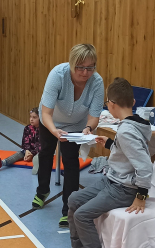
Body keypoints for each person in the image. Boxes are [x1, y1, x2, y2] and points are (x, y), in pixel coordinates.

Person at [56, 77, 153, 248]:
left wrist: (141, 196)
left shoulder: (126, 131)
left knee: (82, 215)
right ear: (133, 102)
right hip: (112, 179)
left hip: (123, 188)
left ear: (112, 104)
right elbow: (130, 151)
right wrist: (111, 143)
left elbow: (145, 167)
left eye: (107, 102)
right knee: (73, 199)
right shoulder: (134, 124)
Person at [33, 44, 105, 228]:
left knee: (71, 162)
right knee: (46, 153)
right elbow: (46, 113)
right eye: (80, 67)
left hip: (76, 125)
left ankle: (68, 209)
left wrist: (88, 128)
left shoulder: (97, 82)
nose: (85, 72)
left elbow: (94, 116)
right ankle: (42, 191)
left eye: (90, 68)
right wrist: (54, 131)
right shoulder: (57, 75)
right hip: (50, 121)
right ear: (72, 64)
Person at [0, 107, 41, 175]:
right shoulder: (27, 128)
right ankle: (1, 163)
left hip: (39, 152)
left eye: (34, 117)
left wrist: (32, 154)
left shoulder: (44, 130)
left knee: (40, 156)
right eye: (30, 117)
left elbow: (41, 146)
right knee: (19, 153)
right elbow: (25, 143)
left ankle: (37, 166)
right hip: (28, 152)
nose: (31, 119)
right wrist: (27, 151)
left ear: (40, 118)